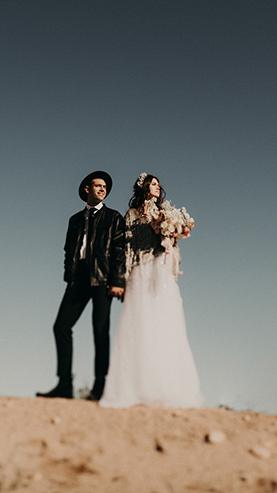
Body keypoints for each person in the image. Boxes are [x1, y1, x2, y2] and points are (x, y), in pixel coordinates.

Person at [100, 173, 204, 408]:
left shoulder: (166, 212)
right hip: (141, 268)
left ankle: (166, 385)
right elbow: (127, 245)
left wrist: (173, 233)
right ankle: (137, 386)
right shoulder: (132, 214)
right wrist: (124, 276)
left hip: (161, 268)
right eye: (153, 184)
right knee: (141, 321)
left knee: (165, 321)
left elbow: (171, 243)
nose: (158, 187)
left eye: (159, 184)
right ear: (144, 187)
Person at [37, 171, 127, 401]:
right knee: (61, 327)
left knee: (100, 331)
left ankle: (100, 387)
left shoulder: (114, 217)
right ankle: (65, 385)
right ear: (87, 189)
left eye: (105, 187)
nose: (102, 189)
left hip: (103, 279)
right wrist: (69, 275)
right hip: (79, 279)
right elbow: (69, 250)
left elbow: (119, 251)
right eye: (98, 185)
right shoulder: (75, 220)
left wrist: (117, 281)